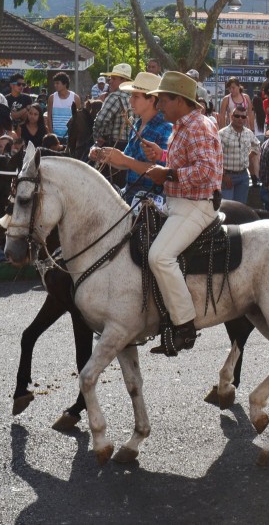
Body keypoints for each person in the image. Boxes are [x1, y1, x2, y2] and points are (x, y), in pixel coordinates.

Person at [138, 72, 223, 356]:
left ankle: (185, 325)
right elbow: (187, 160)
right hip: (177, 202)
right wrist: (161, 156)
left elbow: (207, 172)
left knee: (159, 256)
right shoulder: (182, 125)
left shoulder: (197, 126)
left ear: (179, 100)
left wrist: (169, 172)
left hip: (196, 205)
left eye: (163, 99)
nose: (159, 105)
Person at [90, 72, 173, 207]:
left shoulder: (166, 128)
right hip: (129, 192)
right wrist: (104, 155)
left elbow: (159, 173)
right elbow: (126, 163)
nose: (130, 101)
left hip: (150, 200)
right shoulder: (138, 124)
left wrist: (123, 159)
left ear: (151, 99)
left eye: (136, 96)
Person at [216, 105, 260, 206]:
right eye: (237, 116)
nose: (240, 119)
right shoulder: (222, 134)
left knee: (241, 209)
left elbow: (257, 144)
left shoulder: (248, 133)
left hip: (243, 175)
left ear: (246, 119)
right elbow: (215, 157)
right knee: (227, 208)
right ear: (231, 116)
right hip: (227, 176)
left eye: (243, 117)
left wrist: (249, 156)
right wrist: (223, 175)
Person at [93, 63, 133, 150]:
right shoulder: (135, 97)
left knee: (89, 157)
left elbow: (100, 120)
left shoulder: (114, 97)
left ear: (124, 81)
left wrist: (97, 137)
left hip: (114, 146)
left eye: (114, 78)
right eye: (110, 78)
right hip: (132, 147)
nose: (110, 81)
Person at [46, 71, 81, 141]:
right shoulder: (52, 98)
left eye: (57, 83)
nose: (55, 85)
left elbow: (78, 118)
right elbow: (49, 116)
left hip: (70, 136)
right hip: (55, 136)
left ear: (65, 84)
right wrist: (51, 133)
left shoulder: (75, 98)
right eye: (55, 83)